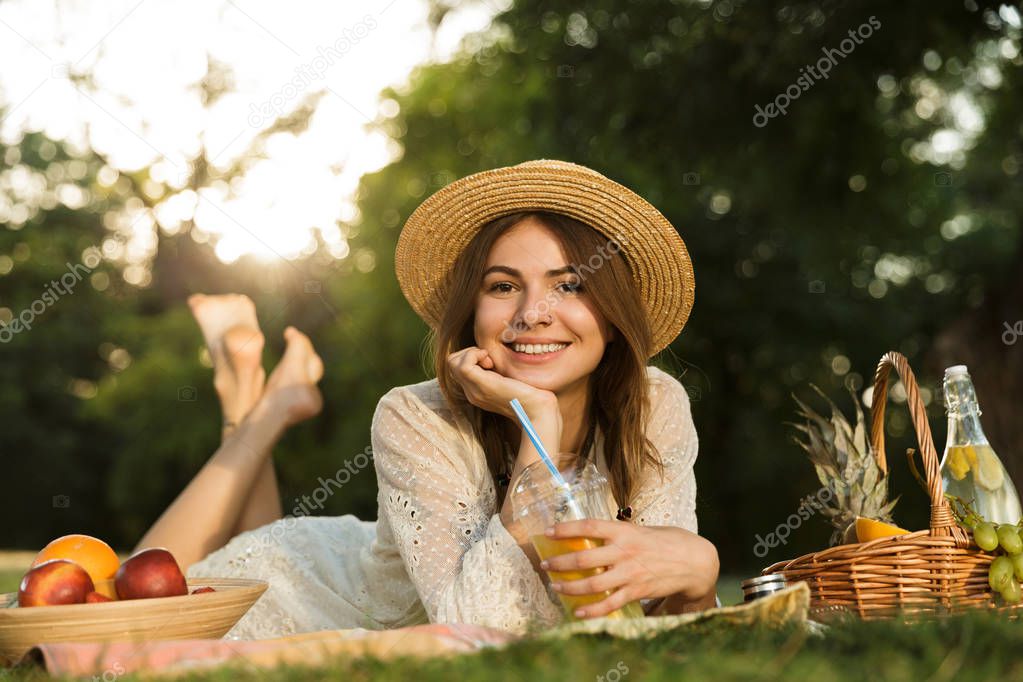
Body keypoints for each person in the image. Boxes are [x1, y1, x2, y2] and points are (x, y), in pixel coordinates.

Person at [135, 159, 719, 639]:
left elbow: (659, 626)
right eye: (503, 286)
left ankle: (257, 399)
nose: (533, 313)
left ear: (614, 318)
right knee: (122, 606)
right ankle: (267, 410)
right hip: (315, 594)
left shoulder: (655, 403)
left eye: (571, 285)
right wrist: (536, 425)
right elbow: (471, 632)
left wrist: (699, 575)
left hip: (371, 565)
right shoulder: (414, 415)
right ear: (472, 315)